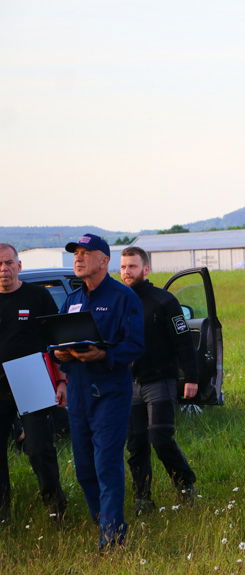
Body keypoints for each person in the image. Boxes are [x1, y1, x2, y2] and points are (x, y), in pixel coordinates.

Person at [52, 234, 144, 550]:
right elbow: (57, 340)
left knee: (106, 464)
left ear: (103, 260)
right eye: (75, 253)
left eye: (85, 253)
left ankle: (113, 538)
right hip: (78, 392)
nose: (78, 258)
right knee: (84, 469)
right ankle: (101, 521)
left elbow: (134, 345)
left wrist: (104, 355)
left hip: (109, 392)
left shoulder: (122, 297)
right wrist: (59, 354)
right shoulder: (72, 299)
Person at [119, 246, 199, 516]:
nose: (127, 272)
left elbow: (184, 341)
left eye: (132, 266)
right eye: (123, 267)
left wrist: (191, 378)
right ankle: (142, 498)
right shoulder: (118, 300)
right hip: (129, 383)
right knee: (136, 443)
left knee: (160, 438)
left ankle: (185, 483)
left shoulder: (164, 301)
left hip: (160, 380)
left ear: (146, 269)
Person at [0, 243, 67, 524]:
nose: (3, 270)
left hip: (32, 377)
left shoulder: (38, 297)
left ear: (19, 266)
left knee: (39, 448)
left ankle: (54, 505)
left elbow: (57, 341)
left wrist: (61, 379)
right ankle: (3, 511)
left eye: (8, 263)